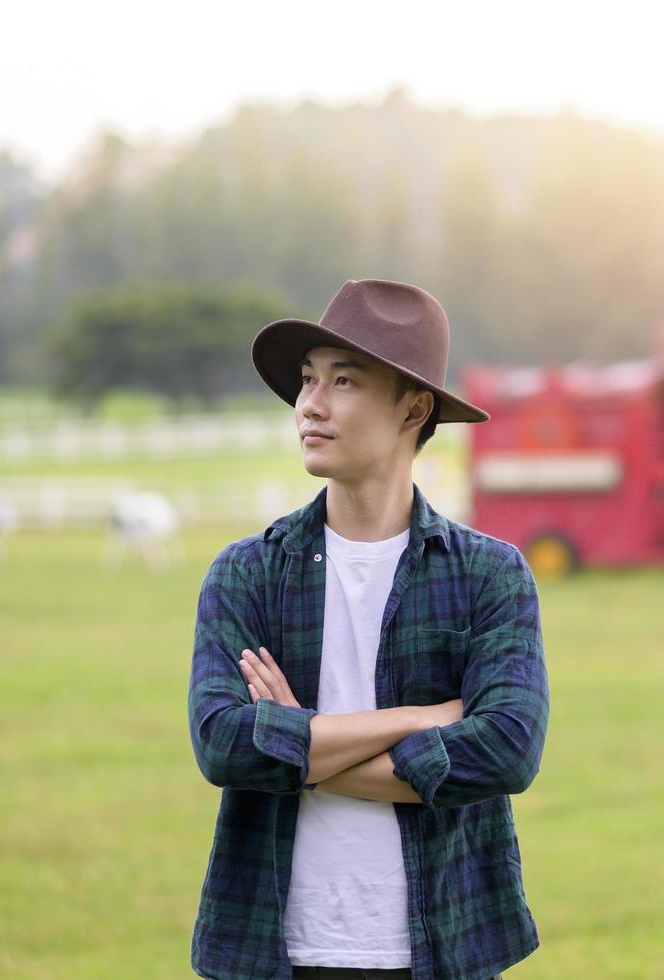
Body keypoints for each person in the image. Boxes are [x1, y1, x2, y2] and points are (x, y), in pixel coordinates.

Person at [187, 279, 549, 980]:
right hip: (274, 950)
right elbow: (223, 746)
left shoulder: (488, 576)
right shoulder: (247, 573)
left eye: (343, 381)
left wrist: (300, 743)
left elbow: (507, 751)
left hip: (444, 944)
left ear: (413, 408)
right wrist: (424, 718)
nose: (309, 406)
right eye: (306, 380)